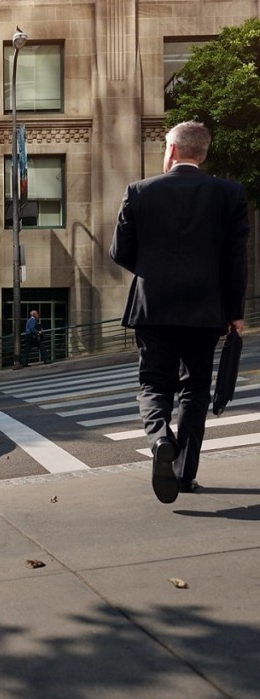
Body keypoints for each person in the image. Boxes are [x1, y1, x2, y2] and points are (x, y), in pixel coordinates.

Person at [109, 120, 249, 504]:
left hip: (153, 307)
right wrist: (234, 311)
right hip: (205, 308)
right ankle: (185, 474)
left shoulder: (139, 191)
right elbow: (235, 261)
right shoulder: (230, 194)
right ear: (203, 153)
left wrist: (153, 270)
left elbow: (119, 251)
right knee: (195, 388)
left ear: (170, 150)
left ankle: (159, 440)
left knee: (154, 384)